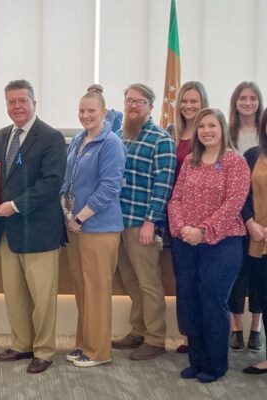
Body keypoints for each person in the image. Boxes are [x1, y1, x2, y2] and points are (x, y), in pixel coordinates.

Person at [168, 108, 250, 383]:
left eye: (212, 125)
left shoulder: (235, 162)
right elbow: (175, 199)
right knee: (189, 300)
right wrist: (182, 229)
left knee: (212, 300)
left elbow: (233, 205)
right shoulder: (191, 160)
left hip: (222, 243)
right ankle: (196, 360)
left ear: (222, 128)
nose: (206, 131)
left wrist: (203, 231)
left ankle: (215, 365)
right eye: (202, 126)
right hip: (185, 242)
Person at [0, 79, 66, 374]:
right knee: (15, 293)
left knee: (42, 297)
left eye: (23, 101)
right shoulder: (1, 135)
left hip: (39, 229)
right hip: (8, 232)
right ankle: (22, 343)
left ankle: (45, 350)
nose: (17, 107)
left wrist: (15, 205)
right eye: (11, 102)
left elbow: (51, 182)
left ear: (34, 103)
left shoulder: (51, 137)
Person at [61, 88, 126, 367]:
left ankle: (99, 351)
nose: (86, 115)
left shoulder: (111, 143)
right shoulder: (79, 139)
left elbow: (109, 187)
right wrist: (66, 210)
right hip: (75, 226)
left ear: (104, 111)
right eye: (82, 110)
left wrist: (80, 217)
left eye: (92, 111)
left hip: (99, 227)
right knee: (82, 289)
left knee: (97, 291)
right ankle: (84, 344)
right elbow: (68, 179)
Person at [112, 83, 176, 360]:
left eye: (139, 101)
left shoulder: (161, 140)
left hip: (142, 224)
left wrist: (152, 221)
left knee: (149, 283)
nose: (133, 106)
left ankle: (155, 338)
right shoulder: (118, 136)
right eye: (129, 101)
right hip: (117, 221)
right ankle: (138, 330)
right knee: (130, 280)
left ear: (151, 106)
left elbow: (163, 185)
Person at [166, 81, 210, 354]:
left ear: (203, 103)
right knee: (184, 281)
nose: (189, 106)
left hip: (206, 223)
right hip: (177, 218)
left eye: (194, 101)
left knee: (207, 281)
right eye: (184, 100)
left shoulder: (209, 133)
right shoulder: (172, 134)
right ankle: (189, 335)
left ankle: (208, 334)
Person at [227, 81, 264, 352]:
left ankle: (256, 329)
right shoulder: (227, 132)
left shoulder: (261, 141)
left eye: (253, 98)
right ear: (235, 102)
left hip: (259, 216)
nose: (248, 102)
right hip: (233, 213)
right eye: (243, 98)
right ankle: (236, 328)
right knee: (236, 273)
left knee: (259, 275)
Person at [242, 108, 267, 374]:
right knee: (263, 296)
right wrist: (250, 223)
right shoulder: (252, 156)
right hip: (258, 240)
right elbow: (243, 196)